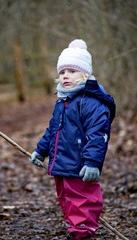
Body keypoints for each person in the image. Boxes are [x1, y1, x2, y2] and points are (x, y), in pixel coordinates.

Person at [29, 39, 116, 240]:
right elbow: (53, 130)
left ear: (85, 74)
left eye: (72, 71)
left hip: (80, 165)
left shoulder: (92, 103)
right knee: (66, 199)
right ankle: (74, 229)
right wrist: (40, 151)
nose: (65, 75)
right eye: (62, 72)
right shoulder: (63, 101)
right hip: (61, 163)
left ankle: (82, 233)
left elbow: (98, 134)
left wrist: (93, 162)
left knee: (82, 200)